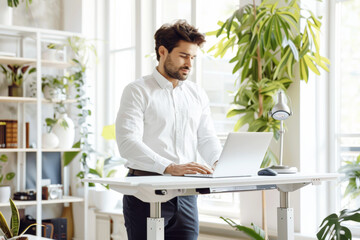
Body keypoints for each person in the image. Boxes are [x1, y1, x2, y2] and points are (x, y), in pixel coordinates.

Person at [116, 19, 222, 240]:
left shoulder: (197, 94)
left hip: (186, 196)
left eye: (192, 57)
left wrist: (219, 161)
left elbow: (206, 137)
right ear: (162, 51)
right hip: (145, 195)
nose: (189, 64)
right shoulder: (137, 91)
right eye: (183, 56)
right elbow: (127, 143)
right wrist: (169, 167)